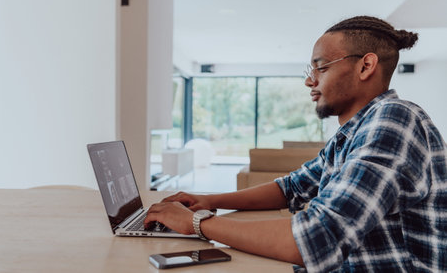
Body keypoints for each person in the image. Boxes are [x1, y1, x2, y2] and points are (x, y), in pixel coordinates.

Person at [144, 16, 447, 272]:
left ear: (366, 66)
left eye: (321, 67)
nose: (309, 81)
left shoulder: (395, 120)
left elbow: (318, 238)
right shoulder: (353, 133)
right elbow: (292, 187)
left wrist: (198, 223)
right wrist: (210, 201)